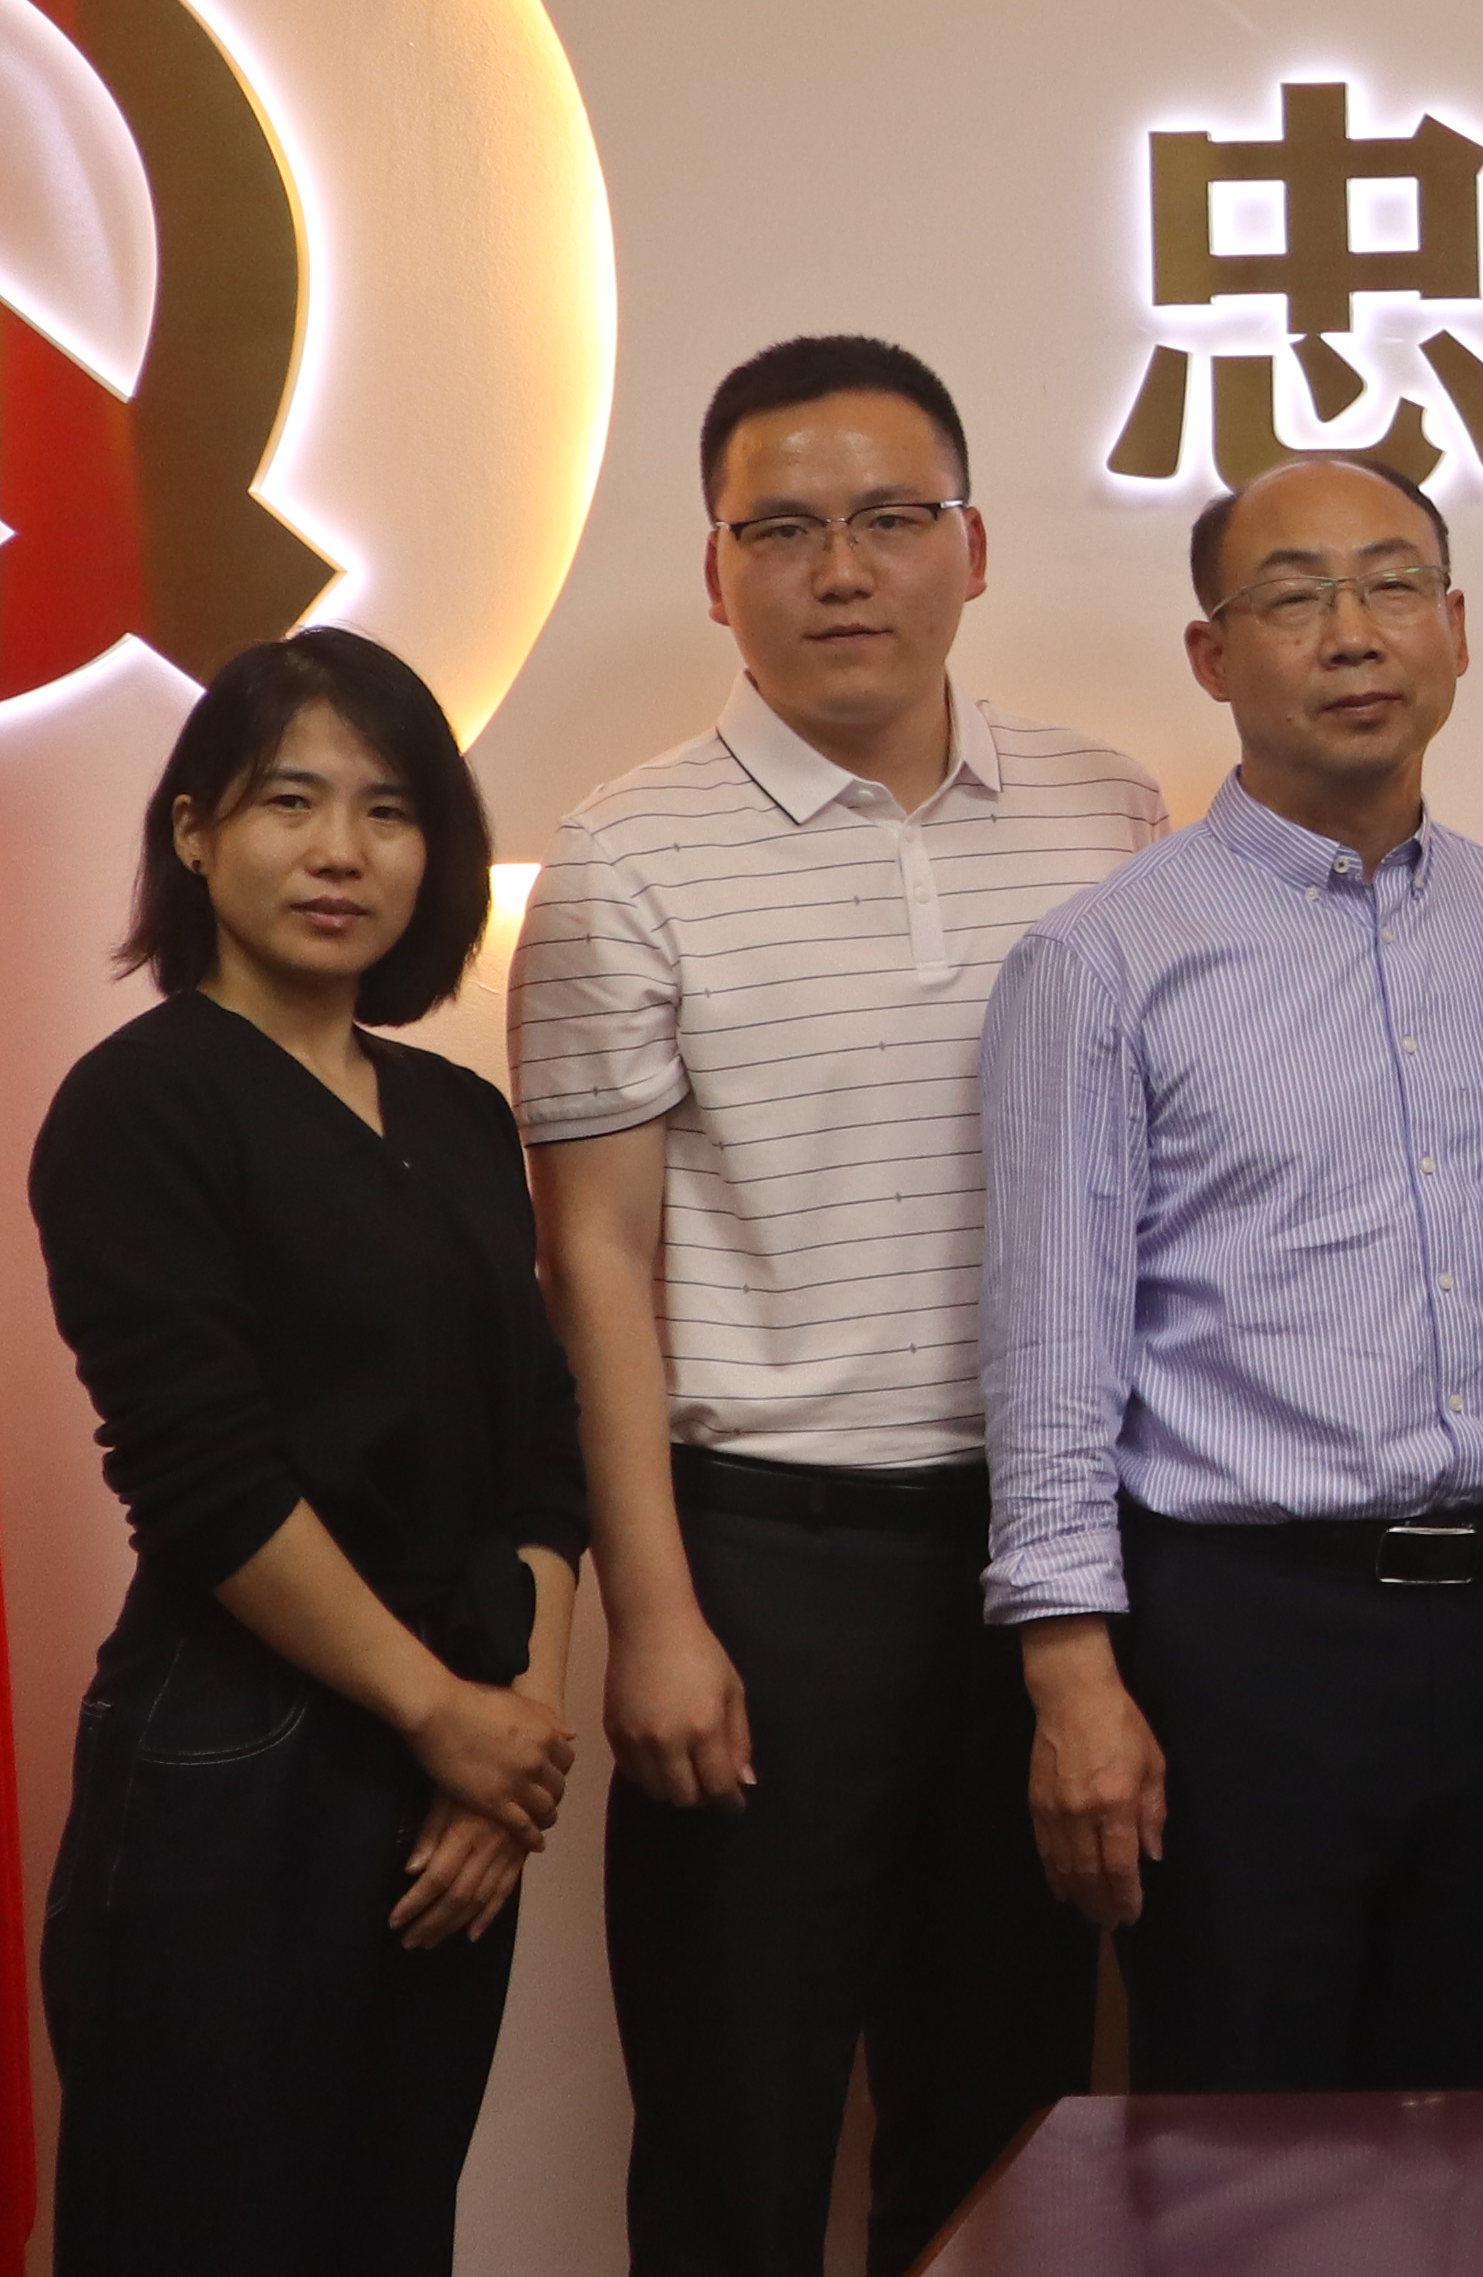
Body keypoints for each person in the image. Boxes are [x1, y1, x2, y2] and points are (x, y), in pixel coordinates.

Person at [507, 338, 1161, 2275]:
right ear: (716, 574)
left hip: (1047, 1571)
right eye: (782, 530)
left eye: (891, 518)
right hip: (765, 1567)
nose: (844, 569)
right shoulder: (625, 854)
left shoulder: (1111, 810)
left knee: (1008, 2129)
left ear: (976, 545)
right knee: (738, 2135)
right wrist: (655, 1615)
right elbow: (591, 1263)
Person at [976, 456, 1483, 2089]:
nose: (1354, 634)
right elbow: (1051, 1353)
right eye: (1296, 596)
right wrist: (1072, 1676)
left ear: (1456, 629)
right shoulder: (1104, 961)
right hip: (1245, 1649)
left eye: (1395, 585)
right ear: (1212, 654)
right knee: (1242, 2163)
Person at [31, 627, 582, 2275]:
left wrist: (513, 1748)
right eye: (292, 801)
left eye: (389, 810)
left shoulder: (461, 1116)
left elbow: (541, 1453)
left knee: (389, 2230)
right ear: (196, 834)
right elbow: (201, 1478)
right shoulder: (140, 1104)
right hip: (236, 1764)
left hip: (459, 1763)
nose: (342, 850)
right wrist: (443, 1716)